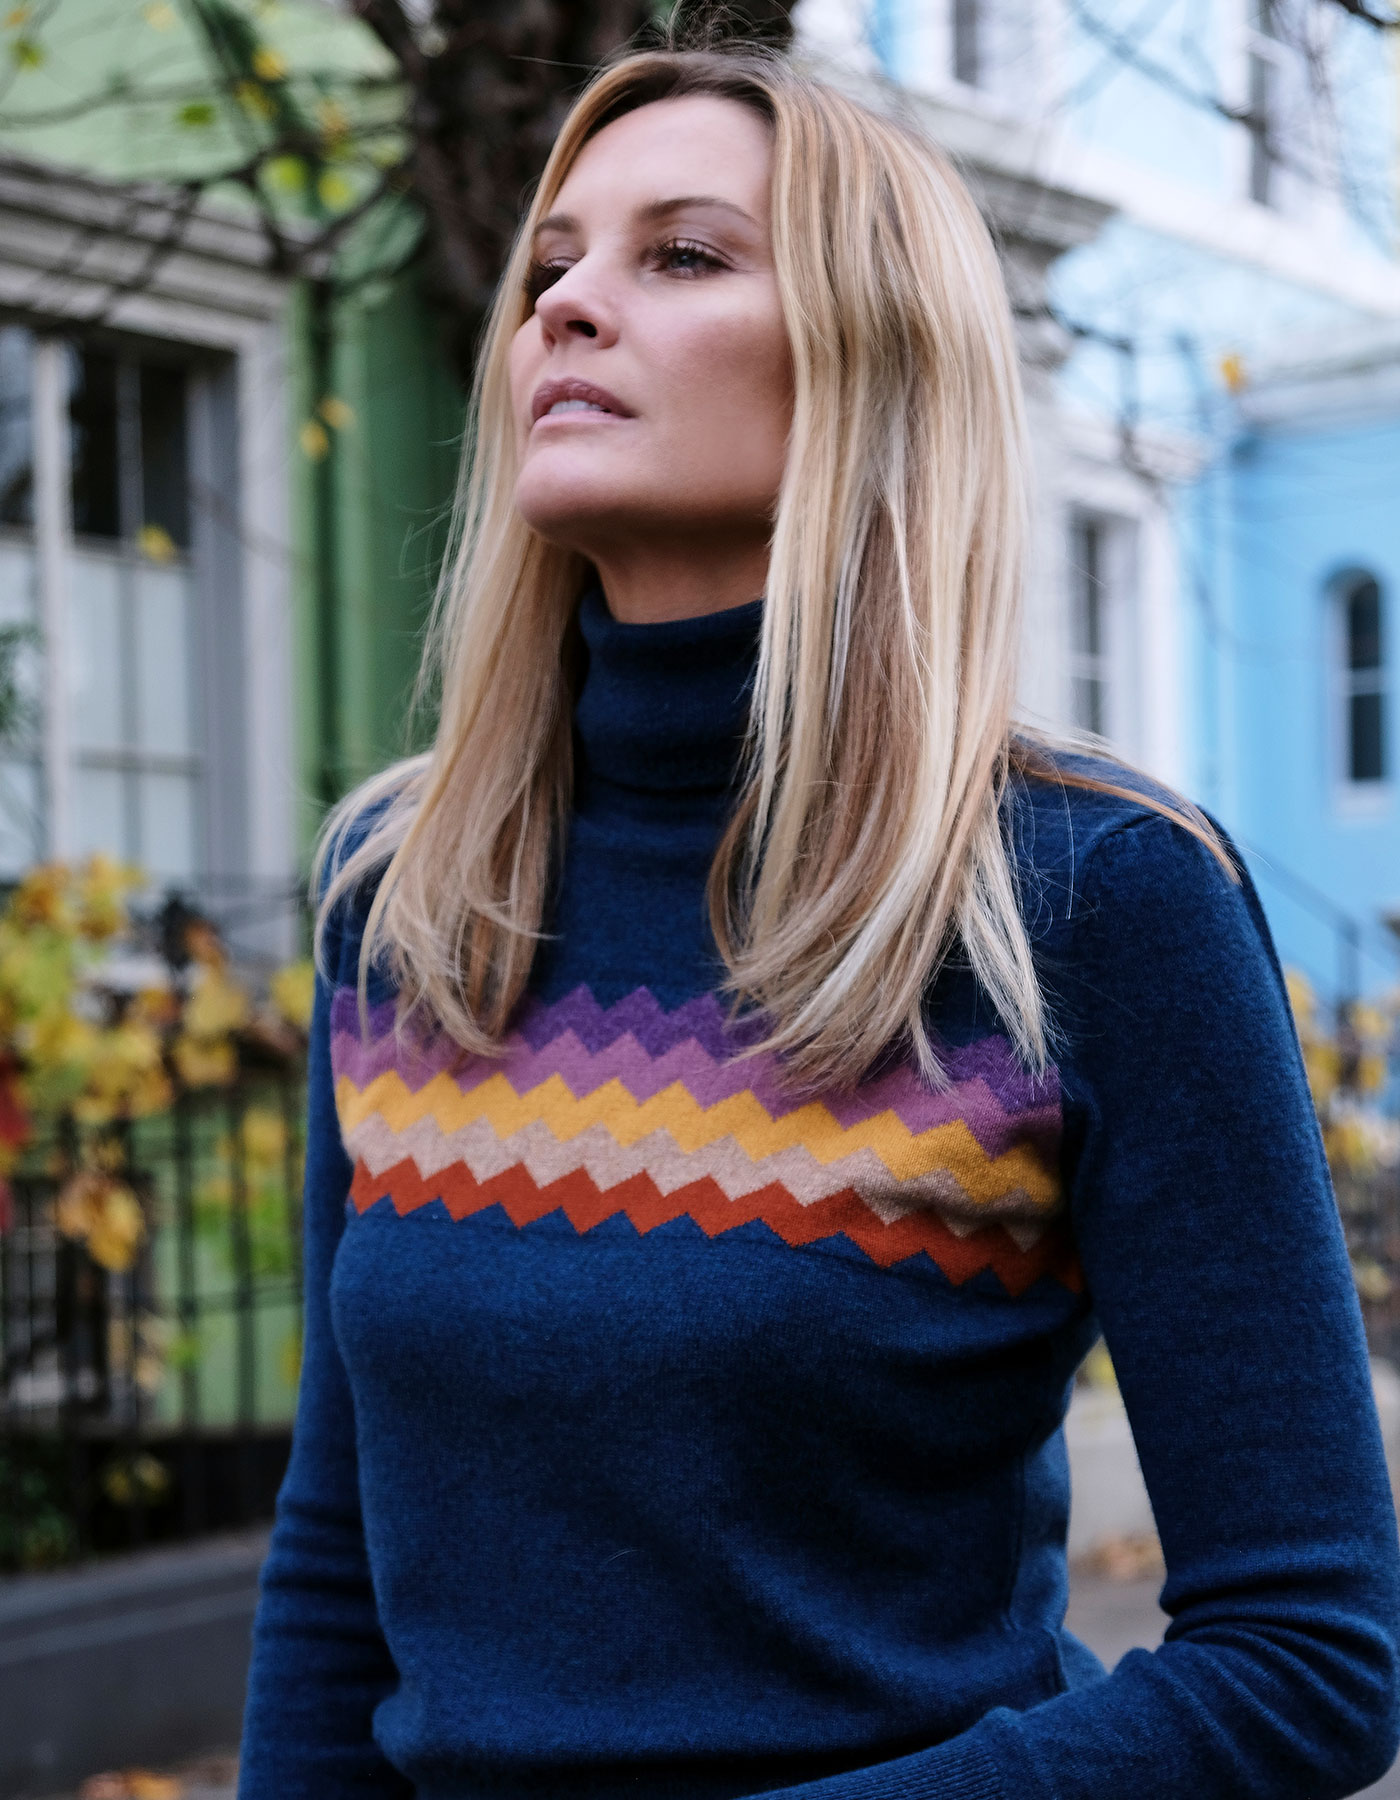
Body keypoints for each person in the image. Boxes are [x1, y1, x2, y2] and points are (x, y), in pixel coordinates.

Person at [237, 43, 1400, 1800]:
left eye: (681, 255)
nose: (566, 308)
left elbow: (1310, 1653)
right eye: (552, 263)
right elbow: (340, 1569)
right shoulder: (405, 896)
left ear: (873, 359)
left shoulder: (1095, 897)